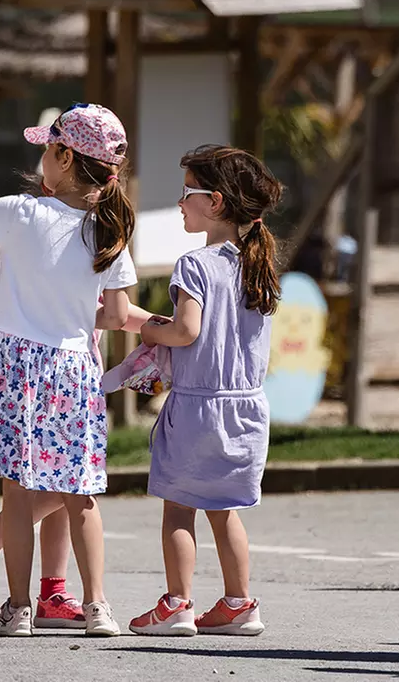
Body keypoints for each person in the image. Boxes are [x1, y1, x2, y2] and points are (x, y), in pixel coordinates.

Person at [0, 103, 137, 637]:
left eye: (48, 147)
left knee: (17, 492)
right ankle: (97, 607)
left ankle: (18, 610)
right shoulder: (107, 231)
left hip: (16, 364)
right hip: (75, 367)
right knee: (80, 492)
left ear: (64, 156)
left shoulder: (20, 212)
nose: (42, 155)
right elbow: (114, 314)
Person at [126, 146, 282, 638]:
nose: (179, 202)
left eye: (186, 193)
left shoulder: (194, 265)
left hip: (197, 406)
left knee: (178, 505)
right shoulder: (258, 266)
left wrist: (151, 330)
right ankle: (239, 604)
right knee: (225, 508)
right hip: (247, 408)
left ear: (214, 201)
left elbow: (186, 331)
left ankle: (176, 605)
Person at [0, 297, 157, 629]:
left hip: (65, 379)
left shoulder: (88, 250)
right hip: (38, 378)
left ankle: (52, 592)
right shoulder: (54, 248)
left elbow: (106, 310)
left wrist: (160, 323)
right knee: (68, 484)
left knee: (61, 484)